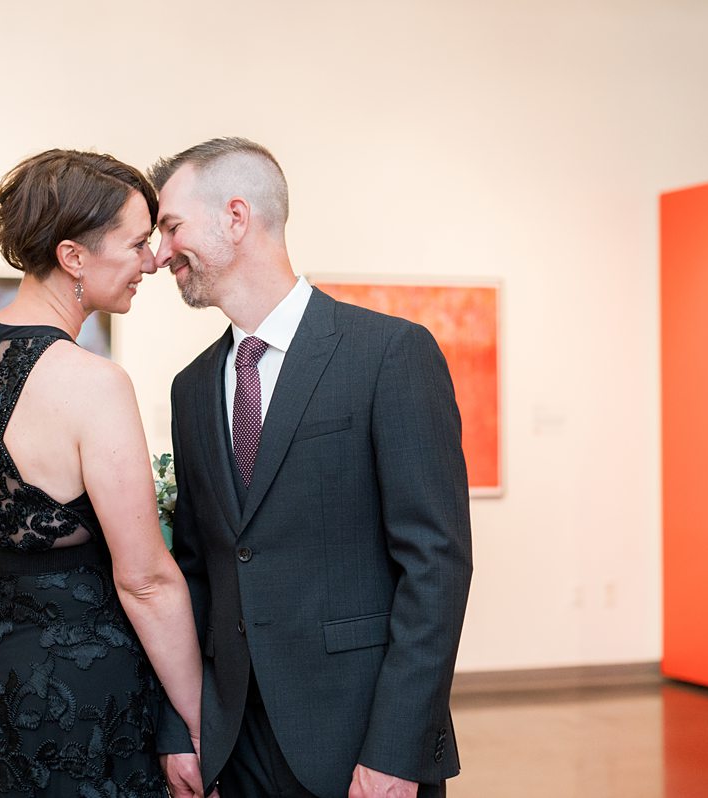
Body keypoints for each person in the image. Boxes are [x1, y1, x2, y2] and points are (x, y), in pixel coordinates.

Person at [0, 149, 204, 797]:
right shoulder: (94, 385)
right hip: (69, 690)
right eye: (138, 244)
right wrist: (197, 721)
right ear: (74, 256)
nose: (152, 261)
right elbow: (146, 580)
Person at [149, 138, 473, 798]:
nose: (159, 255)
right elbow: (196, 568)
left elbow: (435, 566)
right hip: (234, 743)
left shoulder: (390, 356)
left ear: (235, 217)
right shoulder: (192, 387)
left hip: (359, 742)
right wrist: (181, 728)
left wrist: (397, 749)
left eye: (171, 227)